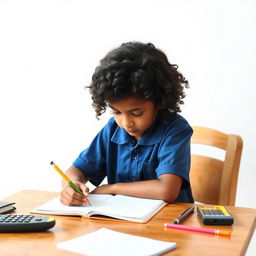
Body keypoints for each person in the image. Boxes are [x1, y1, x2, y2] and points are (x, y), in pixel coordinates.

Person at [60, 41, 194, 206]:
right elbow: (77, 170)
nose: (126, 122)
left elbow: (167, 190)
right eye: (117, 112)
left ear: (159, 101)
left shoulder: (175, 130)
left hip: (165, 224)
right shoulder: (113, 129)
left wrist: (112, 188)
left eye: (136, 113)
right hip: (122, 221)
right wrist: (71, 185)